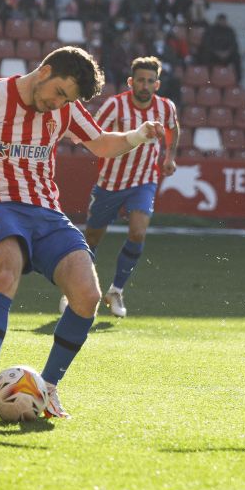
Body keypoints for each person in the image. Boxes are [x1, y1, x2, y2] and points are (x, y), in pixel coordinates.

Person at [0, 46, 165, 418]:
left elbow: (103, 143)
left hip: (46, 211)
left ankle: (47, 388)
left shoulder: (65, 108)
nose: (59, 104)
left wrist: (139, 135)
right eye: (60, 93)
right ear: (44, 72)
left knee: (88, 294)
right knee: (6, 271)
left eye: (68, 100)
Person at [60, 56, 179, 317]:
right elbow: (95, 132)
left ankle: (116, 291)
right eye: (140, 80)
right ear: (130, 82)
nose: (145, 85)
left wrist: (169, 156)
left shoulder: (166, 107)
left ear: (157, 84)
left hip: (145, 181)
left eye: (150, 81)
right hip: (110, 184)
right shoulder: (115, 106)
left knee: (138, 232)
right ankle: (74, 290)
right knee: (91, 238)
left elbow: (173, 128)